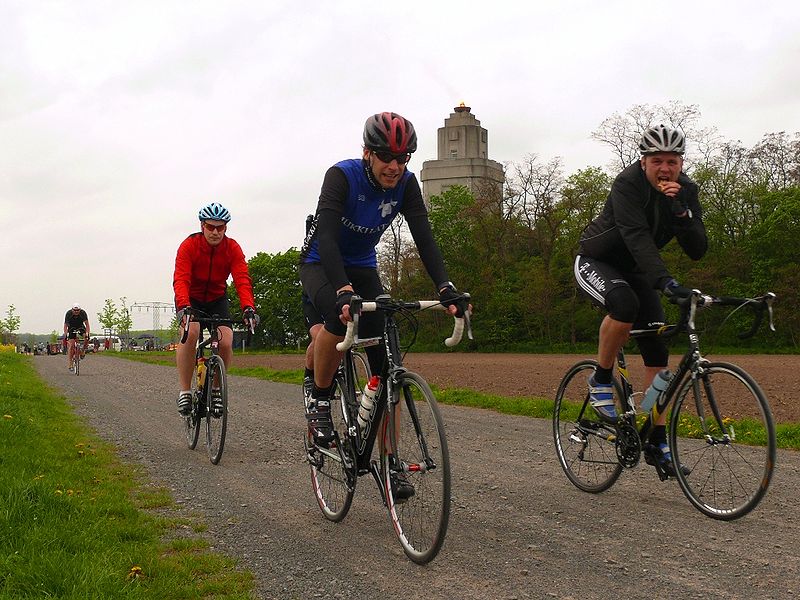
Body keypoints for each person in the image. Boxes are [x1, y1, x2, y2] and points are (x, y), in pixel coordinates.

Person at [299, 111, 470, 471]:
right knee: (336, 313)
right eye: (386, 157)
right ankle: (320, 401)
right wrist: (343, 290)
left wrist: (445, 286)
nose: (394, 166)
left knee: (389, 364)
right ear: (368, 153)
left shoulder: (407, 184)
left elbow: (424, 236)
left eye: (402, 158)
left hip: (362, 265)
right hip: (321, 263)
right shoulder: (341, 176)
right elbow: (327, 236)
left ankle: (390, 461)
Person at [574, 124, 708, 477]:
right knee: (625, 305)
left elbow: (697, 249)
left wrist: (680, 211)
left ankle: (656, 438)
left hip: (638, 270)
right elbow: (635, 237)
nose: (666, 169)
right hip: (597, 260)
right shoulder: (627, 184)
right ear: (644, 161)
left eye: (673, 161)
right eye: (658, 161)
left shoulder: (686, 190)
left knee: (657, 351)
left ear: (681, 163)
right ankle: (601, 379)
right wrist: (665, 281)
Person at [173, 202, 259, 416]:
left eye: (220, 227)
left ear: (226, 228)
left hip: (217, 298)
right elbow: (181, 278)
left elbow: (242, 280)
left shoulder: (232, 248)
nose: (215, 231)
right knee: (190, 333)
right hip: (191, 298)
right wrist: (184, 306)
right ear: (202, 226)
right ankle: (185, 390)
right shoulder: (189, 245)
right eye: (210, 227)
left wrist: (248, 307)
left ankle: (217, 389)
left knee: (226, 341)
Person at [63, 303, 90, 371]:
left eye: (77, 310)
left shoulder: (83, 313)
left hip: (80, 327)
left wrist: (87, 333)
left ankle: (83, 351)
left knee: (87, 338)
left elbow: (87, 325)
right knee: (71, 345)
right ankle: (70, 363)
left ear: (80, 310)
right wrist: (66, 334)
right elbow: (65, 325)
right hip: (71, 328)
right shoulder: (68, 313)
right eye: (74, 310)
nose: (76, 312)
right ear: (72, 310)